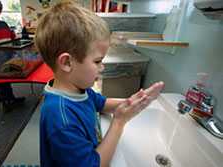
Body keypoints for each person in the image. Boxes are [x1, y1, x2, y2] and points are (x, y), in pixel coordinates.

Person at [35, 1, 165, 167]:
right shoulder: (61, 118)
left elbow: (102, 103)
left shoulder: (78, 89)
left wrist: (135, 102)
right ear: (67, 62)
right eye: (97, 61)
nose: (102, 67)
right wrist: (119, 122)